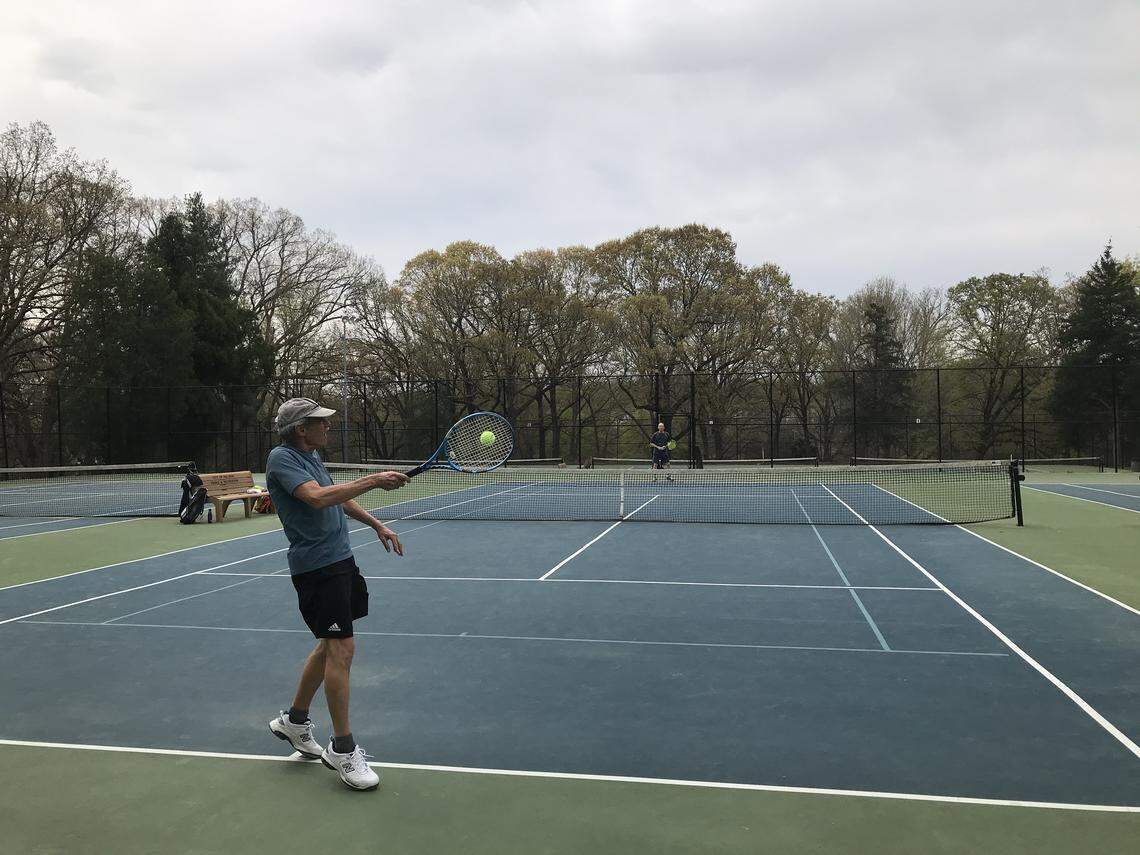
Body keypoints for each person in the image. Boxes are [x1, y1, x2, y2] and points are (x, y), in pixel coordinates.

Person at [265, 397, 408, 791]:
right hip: (317, 568)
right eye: (321, 423)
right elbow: (316, 497)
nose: (328, 427)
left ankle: (294, 722)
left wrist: (376, 523)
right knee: (342, 649)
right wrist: (375, 479)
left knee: (330, 647)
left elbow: (338, 498)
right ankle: (342, 749)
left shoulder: (311, 455)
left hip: (341, 560)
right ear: (300, 429)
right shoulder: (283, 458)